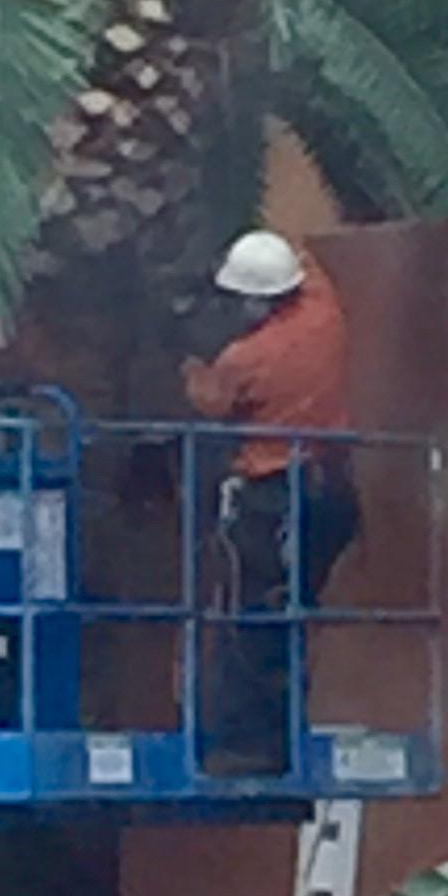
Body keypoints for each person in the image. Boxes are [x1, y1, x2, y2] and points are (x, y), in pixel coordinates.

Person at [183, 231, 360, 770]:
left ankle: (249, 746)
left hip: (275, 499)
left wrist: (189, 368)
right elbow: (308, 262)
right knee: (293, 610)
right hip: (333, 496)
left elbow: (211, 404)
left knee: (252, 621)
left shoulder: (247, 358)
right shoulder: (326, 316)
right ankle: (282, 732)